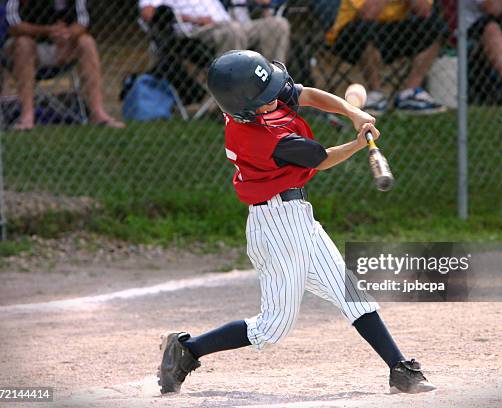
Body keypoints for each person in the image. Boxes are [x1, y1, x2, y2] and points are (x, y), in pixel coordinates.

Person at [157, 50, 437, 396]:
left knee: (351, 293)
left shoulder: (251, 102)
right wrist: (359, 139)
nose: (275, 97)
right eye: (266, 97)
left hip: (298, 216)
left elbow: (304, 94)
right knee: (272, 327)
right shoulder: (261, 138)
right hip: (276, 227)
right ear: (244, 107)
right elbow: (321, 159)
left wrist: (351, 111)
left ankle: (400, 369)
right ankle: (187, 350)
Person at [5, 0, 124, 130]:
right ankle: (27, 116)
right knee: (23, 44)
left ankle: (97, 113)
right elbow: (13, 25)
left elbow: (83, 22)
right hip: (29, 46)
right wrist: (47, 31)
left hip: (63, 47)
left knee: (86, 42)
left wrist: (67, 34)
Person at [326, 0, 448, 115]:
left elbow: (424, 11)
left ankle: (409, 93)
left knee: (436, 26)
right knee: (365, 28)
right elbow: (368, 13)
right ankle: (376, 94)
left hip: (392, 31)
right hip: (350, 36)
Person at [139, 0, 290, 62]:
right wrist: (194, 19)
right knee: (233, 30)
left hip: (229, 24)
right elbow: (149, 13)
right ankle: (231, 102)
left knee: (278, 24)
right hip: (196, 31)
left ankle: (272, 94)